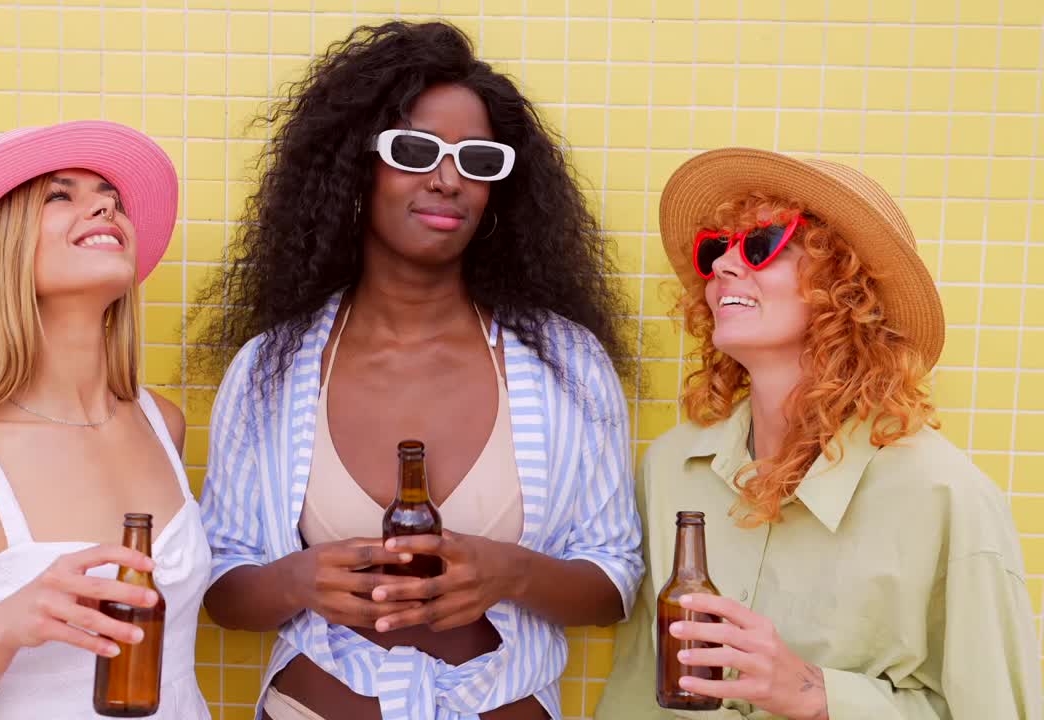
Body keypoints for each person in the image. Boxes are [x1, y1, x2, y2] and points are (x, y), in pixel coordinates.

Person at [194, 20, 644, 720]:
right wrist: (296, 580)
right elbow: (222, 584)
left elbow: (615, 578)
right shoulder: (270, 372)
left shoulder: (568, 366)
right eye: (414, 151)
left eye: (478, 162)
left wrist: (513, 574)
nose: (446, 180)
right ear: (354, 166)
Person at [596, 147, 1042, 719]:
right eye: (715, 251)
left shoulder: (947, 497)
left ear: (847, 289)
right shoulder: (670, 468)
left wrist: (815, 691)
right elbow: (639, 689)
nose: (725, 268)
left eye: (761, 245)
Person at [0, 120, 212, 719]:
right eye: (61, 194)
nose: (105, 204)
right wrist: (7, 625)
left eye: (112, 197)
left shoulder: (162, 424)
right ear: (2, 246)